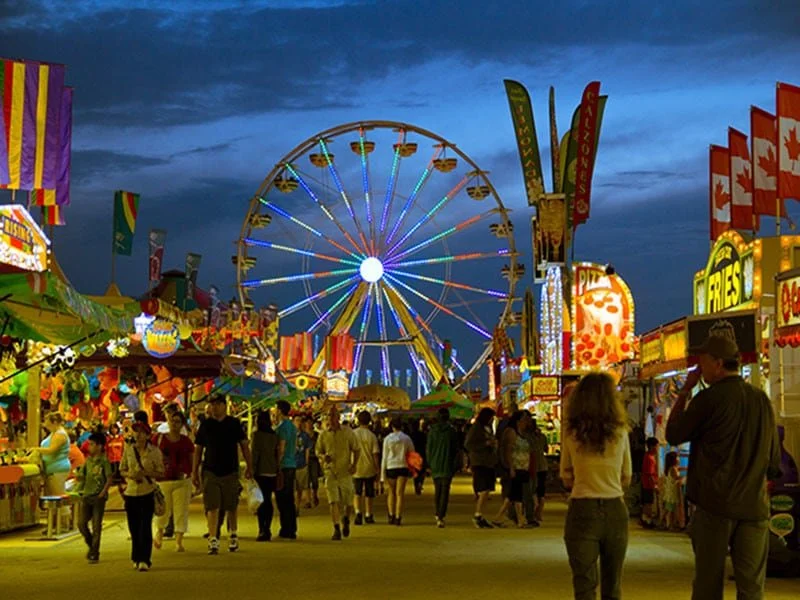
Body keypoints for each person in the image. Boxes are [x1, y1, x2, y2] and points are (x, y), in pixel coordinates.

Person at [666, 335, 782, 600]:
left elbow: (674, 434)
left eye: (702, 362)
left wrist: (685, 390)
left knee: (708, 584)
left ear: (717, 363)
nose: (699, 369)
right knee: (752, 587)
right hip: (754, 509)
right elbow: (773, 461)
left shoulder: (708, 400)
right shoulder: (762, 401)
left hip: (714, 507)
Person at [560, 372, 632, 600]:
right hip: (615, 510)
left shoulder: (572, 433)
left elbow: (565, 475)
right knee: (613, 585)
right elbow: (627, 475)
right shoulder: (621, 432)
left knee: (584, 583)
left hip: (582, 508)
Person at [192, 395, 252, 555]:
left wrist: (249, 466)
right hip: (210, 470)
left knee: (231, 505)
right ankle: (213, 538)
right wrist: (194, 472)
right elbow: (198, 450)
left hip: (230, 470)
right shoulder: (206, 425)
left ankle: (233, 533)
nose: (215, 407)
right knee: (212, 506)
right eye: (213, 404)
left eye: (218, 404)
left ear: (225, 406)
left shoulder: (234, 424)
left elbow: (244, 446)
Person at [120, 422, 165, 572]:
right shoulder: (129, 450)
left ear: (147, 435)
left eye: (141, 432)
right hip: (131, 492)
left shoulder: (154, 452)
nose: (137, 435)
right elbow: (122, 469)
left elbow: (161, 472)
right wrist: (130, 475)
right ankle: (136, 556)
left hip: (147, 492)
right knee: (134, 527)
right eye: (135, 432)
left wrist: (146, 473)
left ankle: (145, 559)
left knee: (145, 526)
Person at [316, 405, 360, 541]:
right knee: (333, 500)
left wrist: (354, 464)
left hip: (345, 471)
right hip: (330, 471)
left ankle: (346, 518)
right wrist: (323, 458)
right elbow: (318, 451)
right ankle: (336, 528)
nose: (331, 418)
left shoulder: (347, 433)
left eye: (334, 415)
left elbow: (356, 449)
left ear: (339, 417)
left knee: (348, 502)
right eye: (329, 415)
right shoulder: (323, 435)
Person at [153, 410, 194, 552]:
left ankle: (179, 541)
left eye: (177, 422)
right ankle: (159, 532)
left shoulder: (186, 441)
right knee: (163, 509)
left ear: (182, 424)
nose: (174, 424)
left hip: (182, 480)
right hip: (163, 479)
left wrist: (194, 474)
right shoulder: (158, 439)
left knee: (181, 510)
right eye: (172, 421)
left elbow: (191, 459)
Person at [491, 411, 534, 528]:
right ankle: (514, 519)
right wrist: (510, 467)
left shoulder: (522, 433)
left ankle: (508, 518)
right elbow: (508, 451)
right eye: (524, 420)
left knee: (514, 495)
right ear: (518, 421)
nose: (526, 423)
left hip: (523, 466)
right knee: (515, 494)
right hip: (515, 466)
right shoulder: (511, 432)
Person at [76, 432, 112, 563]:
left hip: (98, 497)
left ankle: (94, 552)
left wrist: (103, 492)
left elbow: (109, 478)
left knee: (97, 525)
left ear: (100, 446)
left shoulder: (104, 461)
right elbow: (81, 476)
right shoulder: (88, 461)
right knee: (81, 523)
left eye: (92, 444)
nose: (89, 447)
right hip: (86, 495)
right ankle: (91, 544)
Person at [35, 412, 72, 528]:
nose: (45, 424)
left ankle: (64, 524)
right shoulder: (54, 433)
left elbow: (52, 450)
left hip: (58, 469)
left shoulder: (60, 435)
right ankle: (55, 524)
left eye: (47, 421)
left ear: (54, 422)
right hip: (52, 469)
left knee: (58, 495)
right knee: (54, 496)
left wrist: (36, 449)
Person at [426, 407, 460, 528]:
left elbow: (429, 449)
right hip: (447, 465)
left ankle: (438, 513)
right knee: (445, 491)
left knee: (438, 490)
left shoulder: (432, 431)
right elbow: (455, 449)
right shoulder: (451, 432)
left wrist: (430, 463)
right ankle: (441, 515)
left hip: (435, 464)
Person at [464, 407, 498, 529]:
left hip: (488, 461)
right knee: (484, 489)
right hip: (480, 461)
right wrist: (485, 444)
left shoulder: (488, 428)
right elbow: (468, 444)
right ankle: (478, 514)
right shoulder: (476, 428)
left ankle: (480, 514)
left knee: (487, 489)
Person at [251, 410, 279, 541]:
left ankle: (262, 529)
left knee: (261, 501)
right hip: (272, 470)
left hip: (260, 471)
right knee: (268, 500)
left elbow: (255, 454)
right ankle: (267, 528)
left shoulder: (257, 435)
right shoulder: (274, 435)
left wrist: (251, 469)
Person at [381, 417, 414, 526]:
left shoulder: (387, 439)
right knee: (400, 494)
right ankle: (398, 516)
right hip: (403, 466)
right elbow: (412, 453)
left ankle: (390, 515)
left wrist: (382, 475)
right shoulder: (407, 438)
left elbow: (384, 457)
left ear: (392, 427)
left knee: (391, 493)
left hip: (391, 466)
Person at [274, 399, 298, 539]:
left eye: (275, 408)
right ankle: (291, 528)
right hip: (292, 464)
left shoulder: (282, 427)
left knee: (282, 499)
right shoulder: (292, 427)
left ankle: (286, 528)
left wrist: (277, 464)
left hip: (284, 466)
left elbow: (281, 448)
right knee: (289, 499)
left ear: (280, 410)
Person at [352, 410, 380, 525]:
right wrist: (377, 468)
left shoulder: (353, 434)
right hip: (369, 468)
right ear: (369, 421)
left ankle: (358, 512)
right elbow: (375, 454)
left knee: (357, 492)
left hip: (356, 467)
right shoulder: (372, 436)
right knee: (369, 493)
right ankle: (368, 514)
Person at [529, 418, 549, 524]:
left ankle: (534, 512)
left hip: (532, 466)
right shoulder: (542, 437)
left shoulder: (528, 438)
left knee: (533, 490)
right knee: (541, 491)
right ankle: (539, 513)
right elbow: (546, 449)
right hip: (542, 465)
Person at [659, 451, 685, 531]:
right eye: (677, 457)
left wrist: (686, 468)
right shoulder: (673, 469)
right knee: (670, 510)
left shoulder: (671, 468)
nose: (679, 459)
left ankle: (666, 524)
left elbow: (679, 469)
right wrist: (684, 477)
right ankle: (668, 525)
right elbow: (677, 477)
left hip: (670, 493)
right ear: (673, 459)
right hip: (672, 494)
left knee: (668, 509)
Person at [293, 415, 312, 510]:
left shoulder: (305, 436)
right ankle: (294, 506)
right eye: (297, 421)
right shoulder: (290, 435)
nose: (298, 423)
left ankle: (297, 506)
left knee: (300, 487)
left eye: (300, 421)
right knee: (293, 488)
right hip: (291, 464)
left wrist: (306, 462)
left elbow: (307, 449)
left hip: (302, 464)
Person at [640, 437, 659, 528]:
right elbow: (650, 474)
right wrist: (655, 485)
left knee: (646, 502)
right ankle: (647, 520)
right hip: (648, 484)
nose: (657, 449)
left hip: (645, 483)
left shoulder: (647, 456)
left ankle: (645, 519)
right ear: (652, 447)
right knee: (649, 503)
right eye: (656, 447)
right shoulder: (650, 458)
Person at [304, 418, 321, 507]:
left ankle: (315, 495)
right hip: (305, 460)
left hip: (314, 459)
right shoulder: (303, 435)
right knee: (306, 480)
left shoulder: (317, 435)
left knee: (314, 480)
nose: (309, 424)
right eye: (308, 423)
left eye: (310, 423)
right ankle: (308, 500)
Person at [410, 420, 428, 495]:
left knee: (415, 471)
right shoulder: (422, 434)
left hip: (414, 455)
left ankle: (416, 485)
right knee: (422, 471)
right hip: (422, 454)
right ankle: (420, 483)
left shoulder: (411, 435)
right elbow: (426, 444)